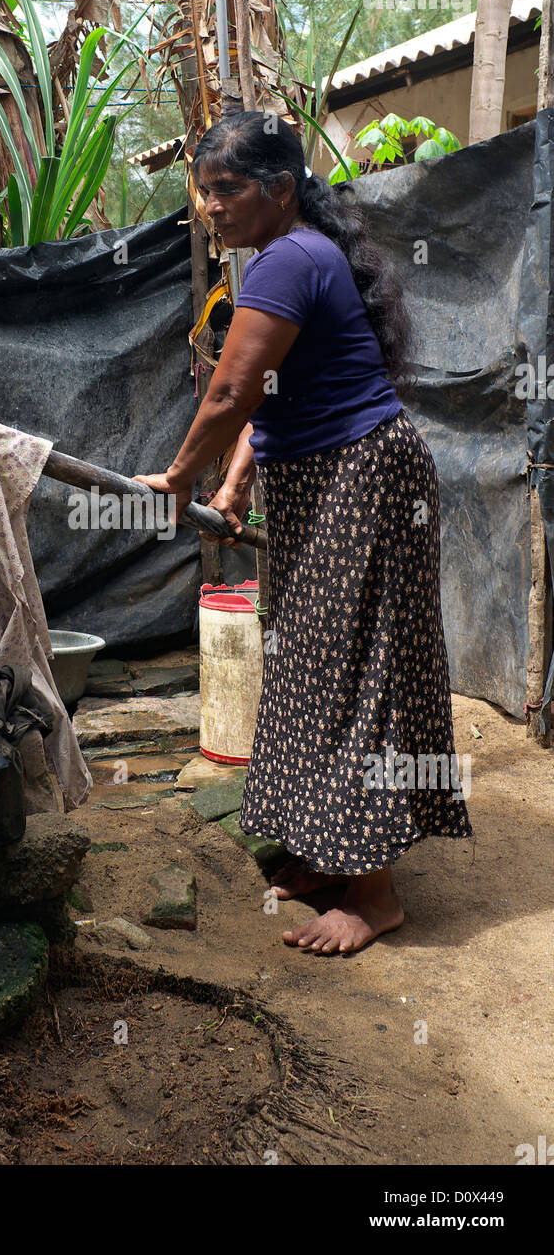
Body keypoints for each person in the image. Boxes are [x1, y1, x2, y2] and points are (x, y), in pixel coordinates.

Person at [135, 112, 472, 955]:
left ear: (280, 188)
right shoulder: (288, 259)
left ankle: (376, 891)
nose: (210, 206)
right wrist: (236, 484)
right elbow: (273, 397)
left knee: (355, 667)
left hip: (362, 477)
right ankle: (329, 852)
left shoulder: (289, 259)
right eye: (202, 191)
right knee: (309, 659)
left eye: (226, 189)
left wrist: (176, 481)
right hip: (323, 478)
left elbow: (231, 393)